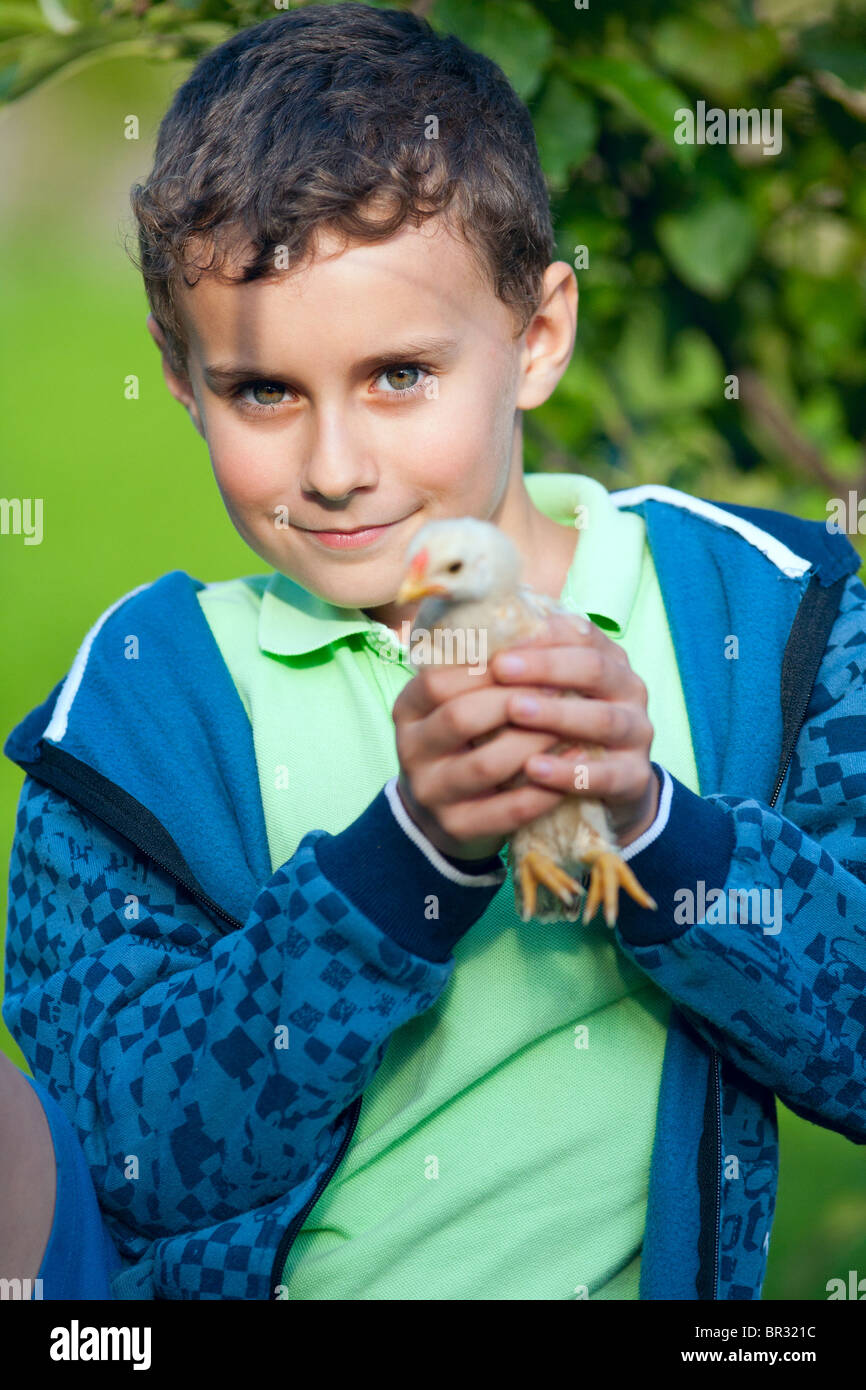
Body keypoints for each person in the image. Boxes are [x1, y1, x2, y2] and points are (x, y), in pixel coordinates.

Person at [2, 2, 865, 1301]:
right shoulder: (146, 704)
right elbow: (123, 1156)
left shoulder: (753, 612)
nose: (337, 468)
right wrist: (403, 859)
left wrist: (646, 826)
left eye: (399, 373)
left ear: (536, 336)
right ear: (179, 376)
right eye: (263, 391)